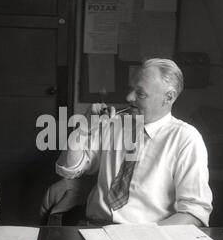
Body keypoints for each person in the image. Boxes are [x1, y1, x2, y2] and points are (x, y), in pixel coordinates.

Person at [41, 58, 212, 226]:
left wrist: (144, 238)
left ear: (168, 97)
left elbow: (194, 212)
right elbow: (69, 169)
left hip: (148, 238)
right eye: (131, 89)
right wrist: (83, 128)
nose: (129, 97)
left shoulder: (186, 139)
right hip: (95, 228)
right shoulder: (114, 123)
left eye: (140, 93)